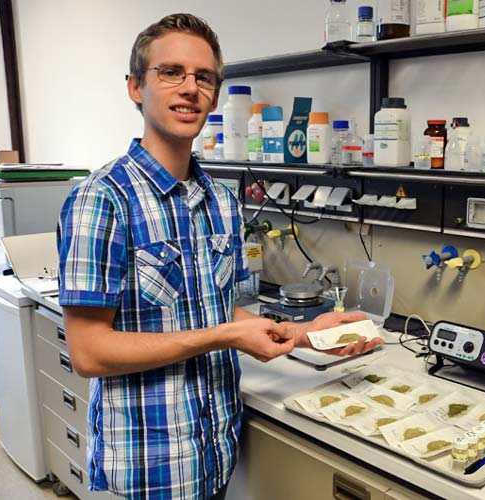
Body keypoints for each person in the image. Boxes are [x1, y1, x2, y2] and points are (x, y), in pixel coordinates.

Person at [57, 13, 383, 500]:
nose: (190, 88)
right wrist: (229, 334)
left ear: (214, 95)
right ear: (135, 87)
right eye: (171, 72)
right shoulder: (102, 200)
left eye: (203, 78)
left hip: (213, 455)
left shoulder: (221, 202)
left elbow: (212, 305)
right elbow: (89, 351)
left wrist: (302, 336)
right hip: (150, 468)